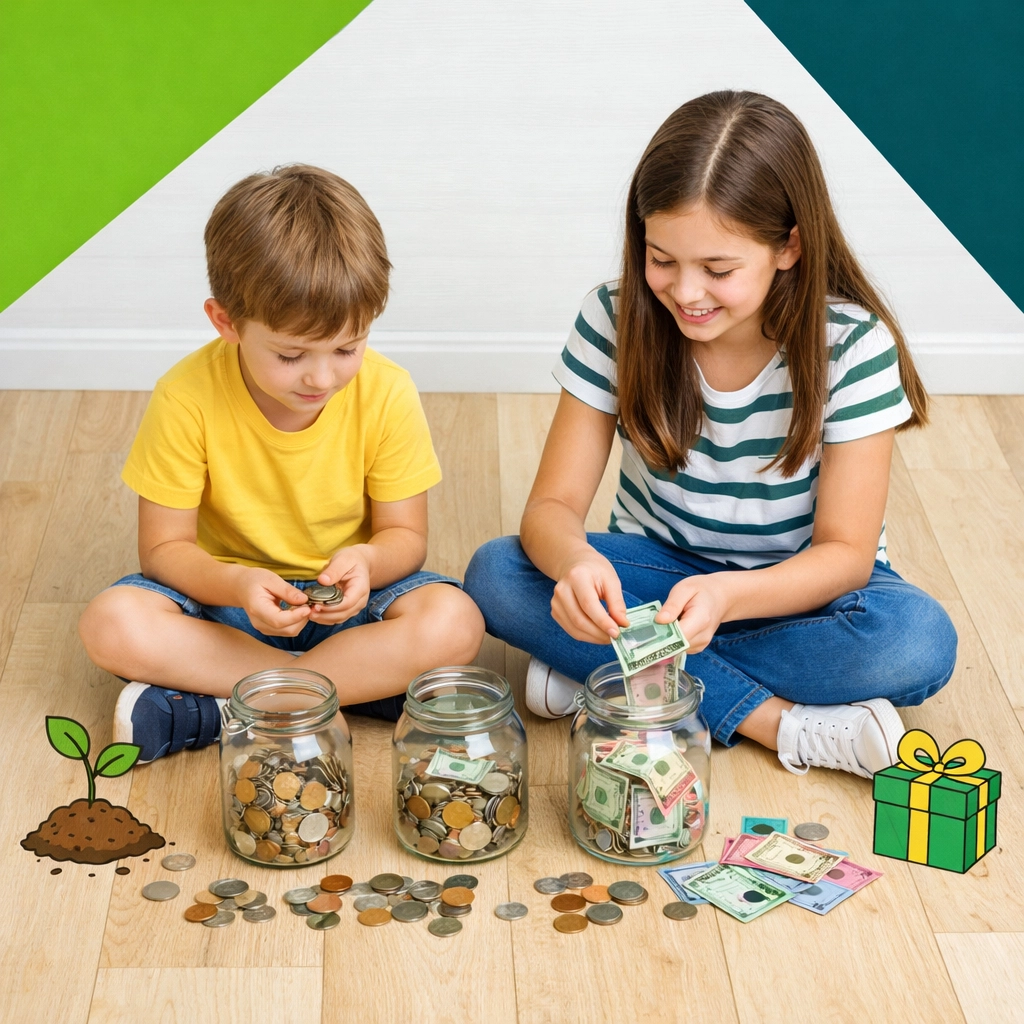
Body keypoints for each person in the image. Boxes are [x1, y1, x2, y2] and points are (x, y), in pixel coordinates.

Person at [465, 91, 957, 779]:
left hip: (798, 595)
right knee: (497, 572)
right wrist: (576, 563)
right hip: (658, 579)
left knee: (918, 642)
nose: (686, 292)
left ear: (789, 246)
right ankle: (776, 724)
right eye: (661, 259)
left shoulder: (851, 346)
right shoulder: (613, 321)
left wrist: (727, 599)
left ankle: (607, 677)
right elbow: (550, 509)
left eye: (718, 271)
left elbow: (844, 556)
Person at [79, 165, 484, 763]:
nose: (323, 377)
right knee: (111, 622)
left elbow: (405, 536)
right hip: (229, 611)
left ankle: (230, 706)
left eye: (347, 348)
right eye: (292, 354)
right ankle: (329, 696)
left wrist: (370, 561)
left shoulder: (388, 392)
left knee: (454, 621)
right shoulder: (185, 395)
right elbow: (164, 552)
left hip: (348, 609)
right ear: (226, 323)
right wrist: (238, 584)